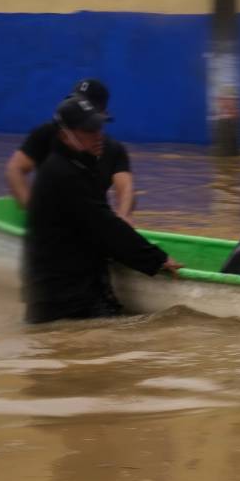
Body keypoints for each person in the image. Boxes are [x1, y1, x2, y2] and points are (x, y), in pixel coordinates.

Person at [24, 96, 182, 324]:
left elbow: (102, 222)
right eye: (89, 130)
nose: (98, 135)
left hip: (69, 298)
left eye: (99, 127)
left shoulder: (77, 167)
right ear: (64, 135)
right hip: (65, 305)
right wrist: (157, 259)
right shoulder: (62, 174)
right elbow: (103, 225)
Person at [6, 78, 135, 223]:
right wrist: (33, 213)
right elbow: (14, 169)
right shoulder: (45, 134)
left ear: (102, 114)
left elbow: (125, 188)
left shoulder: (114, 150)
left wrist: (123, 217)